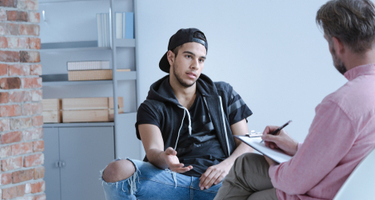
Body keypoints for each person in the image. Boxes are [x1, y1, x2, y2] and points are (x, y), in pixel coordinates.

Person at [214, 0, 375, 199]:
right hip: (355, 192)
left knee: (248, 181)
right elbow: (346, 152)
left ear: (337, 44)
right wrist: (297, 148)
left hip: (324, 194)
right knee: (245, 165)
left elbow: (293, 182)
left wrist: (269, 157)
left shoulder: (342, 104)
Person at [100, 28, 254, 199]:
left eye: (201, 59)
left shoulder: (223, 93)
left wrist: (225, 166)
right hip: (172, 182)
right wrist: (166, 159)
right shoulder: (151, 107)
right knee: (116, 170)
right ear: (171, 57)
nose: (195, 65)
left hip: (219, 184)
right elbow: (153, 150)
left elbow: (247, 143)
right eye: (188, 56)